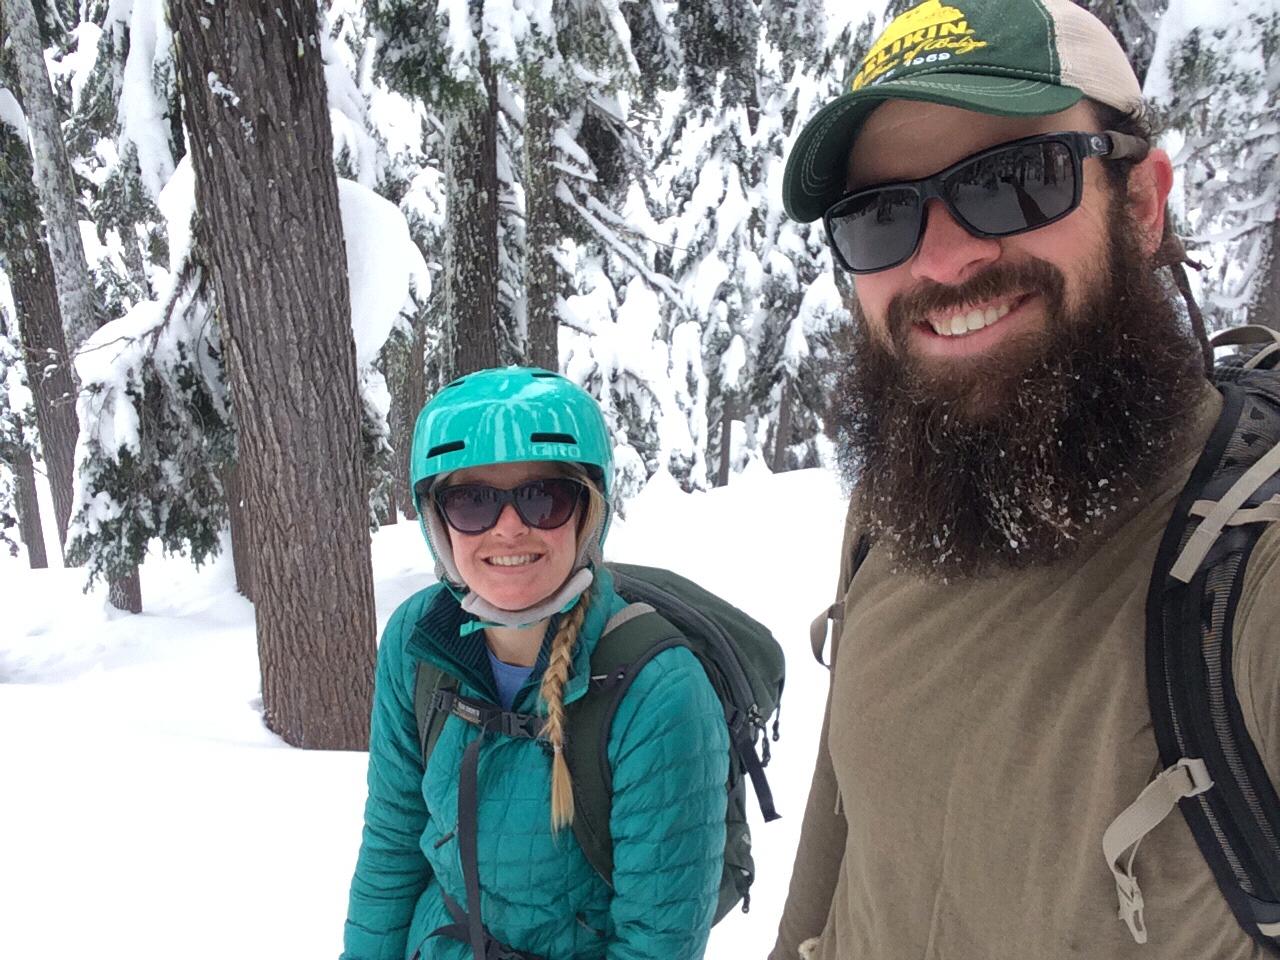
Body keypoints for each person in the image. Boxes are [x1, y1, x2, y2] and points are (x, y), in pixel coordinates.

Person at [771, 1, 1280, 958]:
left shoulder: (1247, 569)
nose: (942, 258)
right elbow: (838, 855)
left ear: (1141, 204)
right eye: (880, 215)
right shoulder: (897, 505)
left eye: (1013, 180)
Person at [341, 367, 729, 960]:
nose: (508, 528)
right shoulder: (416, 642)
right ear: (438, 523)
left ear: (587, 511)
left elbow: (656, 943)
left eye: (543, 497)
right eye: (472, 501)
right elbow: (392, 844)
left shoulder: (658, 690)